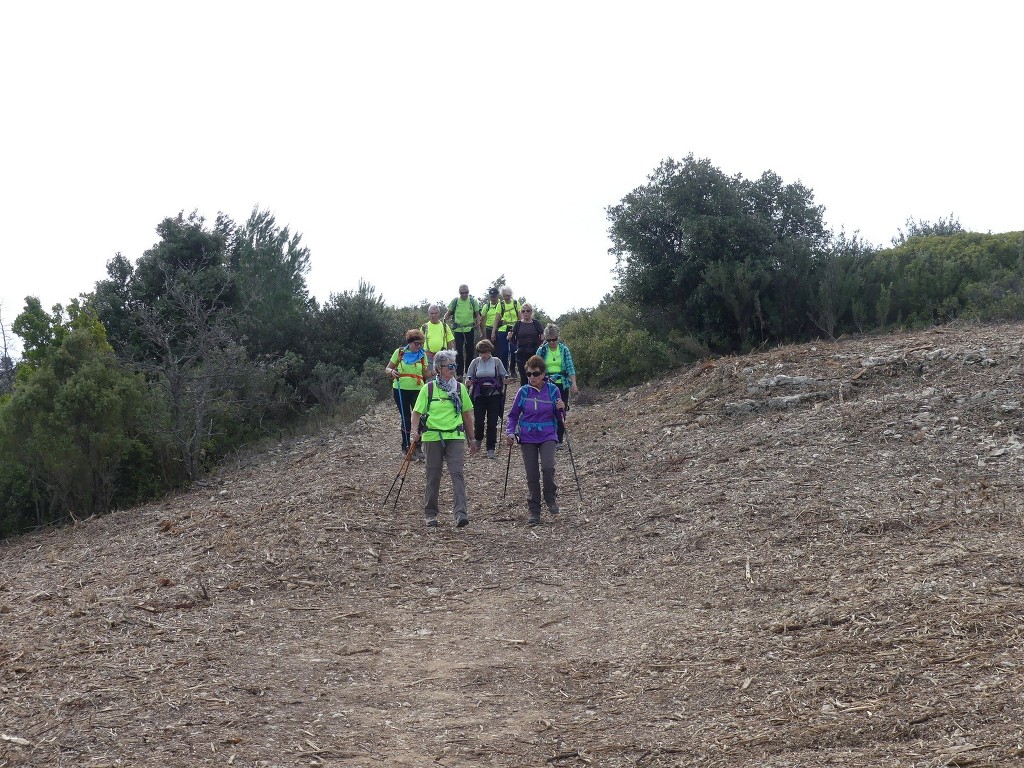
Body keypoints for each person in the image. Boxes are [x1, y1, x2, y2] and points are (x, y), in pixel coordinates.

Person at [410, 350, 478, 528]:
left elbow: (466, 415)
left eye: (454, 366)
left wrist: (472, 439)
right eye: (450, 366)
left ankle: (461, 514)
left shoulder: (460, 388)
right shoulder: (429, 388)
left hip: (455, 436)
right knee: (433, 475)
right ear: (439, 368)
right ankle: (430, 514)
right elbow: (416, 412)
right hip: (432, 436)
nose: (453, 369)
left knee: (457, 474)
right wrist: (414, 432)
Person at [505, 354, 564, 526]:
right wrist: (510, 432)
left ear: (543, 374)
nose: (532, 378)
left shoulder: (553, 390)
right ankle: (534, 510)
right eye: (529, 374)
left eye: (536, 374)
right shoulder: (523, 392)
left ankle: (550, 497)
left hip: (547, 434)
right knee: (532, 474)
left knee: (548, 467)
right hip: (527, 436)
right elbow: (513, 415)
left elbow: (560, 418)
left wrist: (561, 409)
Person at [385, 329, 428, 460]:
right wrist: (392, 372)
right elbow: (387, 368)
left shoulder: (422, 355)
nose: (418, 346)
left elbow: (425, 374)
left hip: (418, 389)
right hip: (400, 389)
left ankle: (417, 447)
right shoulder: (400, 352)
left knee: (419, 417)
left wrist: (437, 372)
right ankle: (406, 447)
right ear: (409, 342)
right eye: (416, 343)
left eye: (420, 343)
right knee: (406, 418)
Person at [465, 338, 511, 459]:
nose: (484, 355)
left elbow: (503, 373)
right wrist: (468, 382)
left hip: (494, 394)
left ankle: (491, 448)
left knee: (492, 422)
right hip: (479, 395)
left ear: (490, 351)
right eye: (481, 352)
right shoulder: (475, 362)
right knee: (479, 421)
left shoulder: (496, 361)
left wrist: (506, 378)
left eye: (486, 352)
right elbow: (469, 376)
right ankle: (478, 438)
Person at [536, 323, 578, 445]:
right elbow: (536, 367)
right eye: (549, 340)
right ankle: (548, 437)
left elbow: (570, 367)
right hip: (546, 384)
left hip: (562, 384)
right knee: (547, 410)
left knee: (561, 410)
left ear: (558, 337)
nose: (552, 342)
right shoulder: (542, 350)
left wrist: (574, 383)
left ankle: (559, 438)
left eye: (554, 339)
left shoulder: (564, 350)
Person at [444, 284, 481, 378]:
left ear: (468, 292)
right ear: (459, 293)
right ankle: (459, 373)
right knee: (459, 351)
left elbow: (477, 314)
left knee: (469, 351)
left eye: (466, 293)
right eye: (462, 293)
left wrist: (478, 322)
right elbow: (448, 313)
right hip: (458, 330)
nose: (464, 295)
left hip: (470, 329)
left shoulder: (473, 301)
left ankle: (469, 372)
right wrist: (443, 322)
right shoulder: (455, 301)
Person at [507, 303, 544, 385]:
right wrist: (509, 337)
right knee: (524, 376)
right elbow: (512, 339)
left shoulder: (536, 323)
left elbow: (542, 336)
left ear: (531, 312)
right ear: (521, 313)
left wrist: (541, 342)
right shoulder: (518, 324)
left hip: (534, 353)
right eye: (523, 311)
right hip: (521, 353)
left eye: (528, 311)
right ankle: (524, 395)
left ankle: (535, 394)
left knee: (534, 375)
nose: (525, 313)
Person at [490, 285, 522, 369]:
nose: (506, 297)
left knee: (513, 350)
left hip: (514, 329)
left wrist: (521, 329)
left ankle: (512, 369)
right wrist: (493, 332)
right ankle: (504, 370)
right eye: (504, 296)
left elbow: (520, 317)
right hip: (503, 329)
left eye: (508, 295)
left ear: (511, 295)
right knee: (503, 351)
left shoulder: (516, 303)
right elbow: (496, 319)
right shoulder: (500, 305)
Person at [421, 304, 455, 373]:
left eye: (436, 313)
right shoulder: (424, 327)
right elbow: (419, 343)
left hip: (442, 358)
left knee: (443, 378)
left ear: (439, 314)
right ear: (428, 314)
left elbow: (450, 343)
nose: (433, 315)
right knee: (430, 380)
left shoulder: (445, 326)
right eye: (432, 313)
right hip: (428, 358)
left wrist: (451, 358)